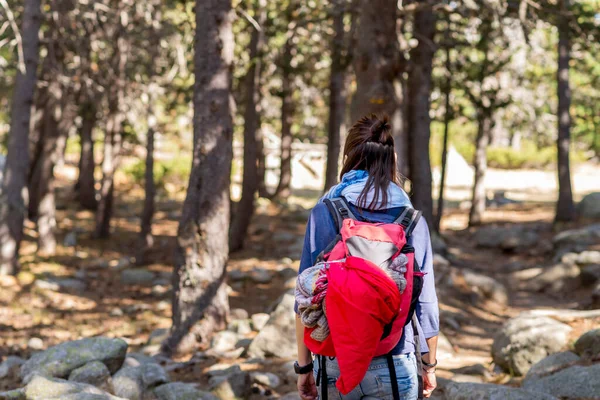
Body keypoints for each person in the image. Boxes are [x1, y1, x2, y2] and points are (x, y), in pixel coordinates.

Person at [293, 114, 440, 400]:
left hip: (336, 363)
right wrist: (429, 365)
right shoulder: (411, 220)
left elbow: (304, 297)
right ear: (391, 160)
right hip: (396, 359)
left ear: (348, 158)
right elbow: (427, 303)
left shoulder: (325, 212)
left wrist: (304, 367)